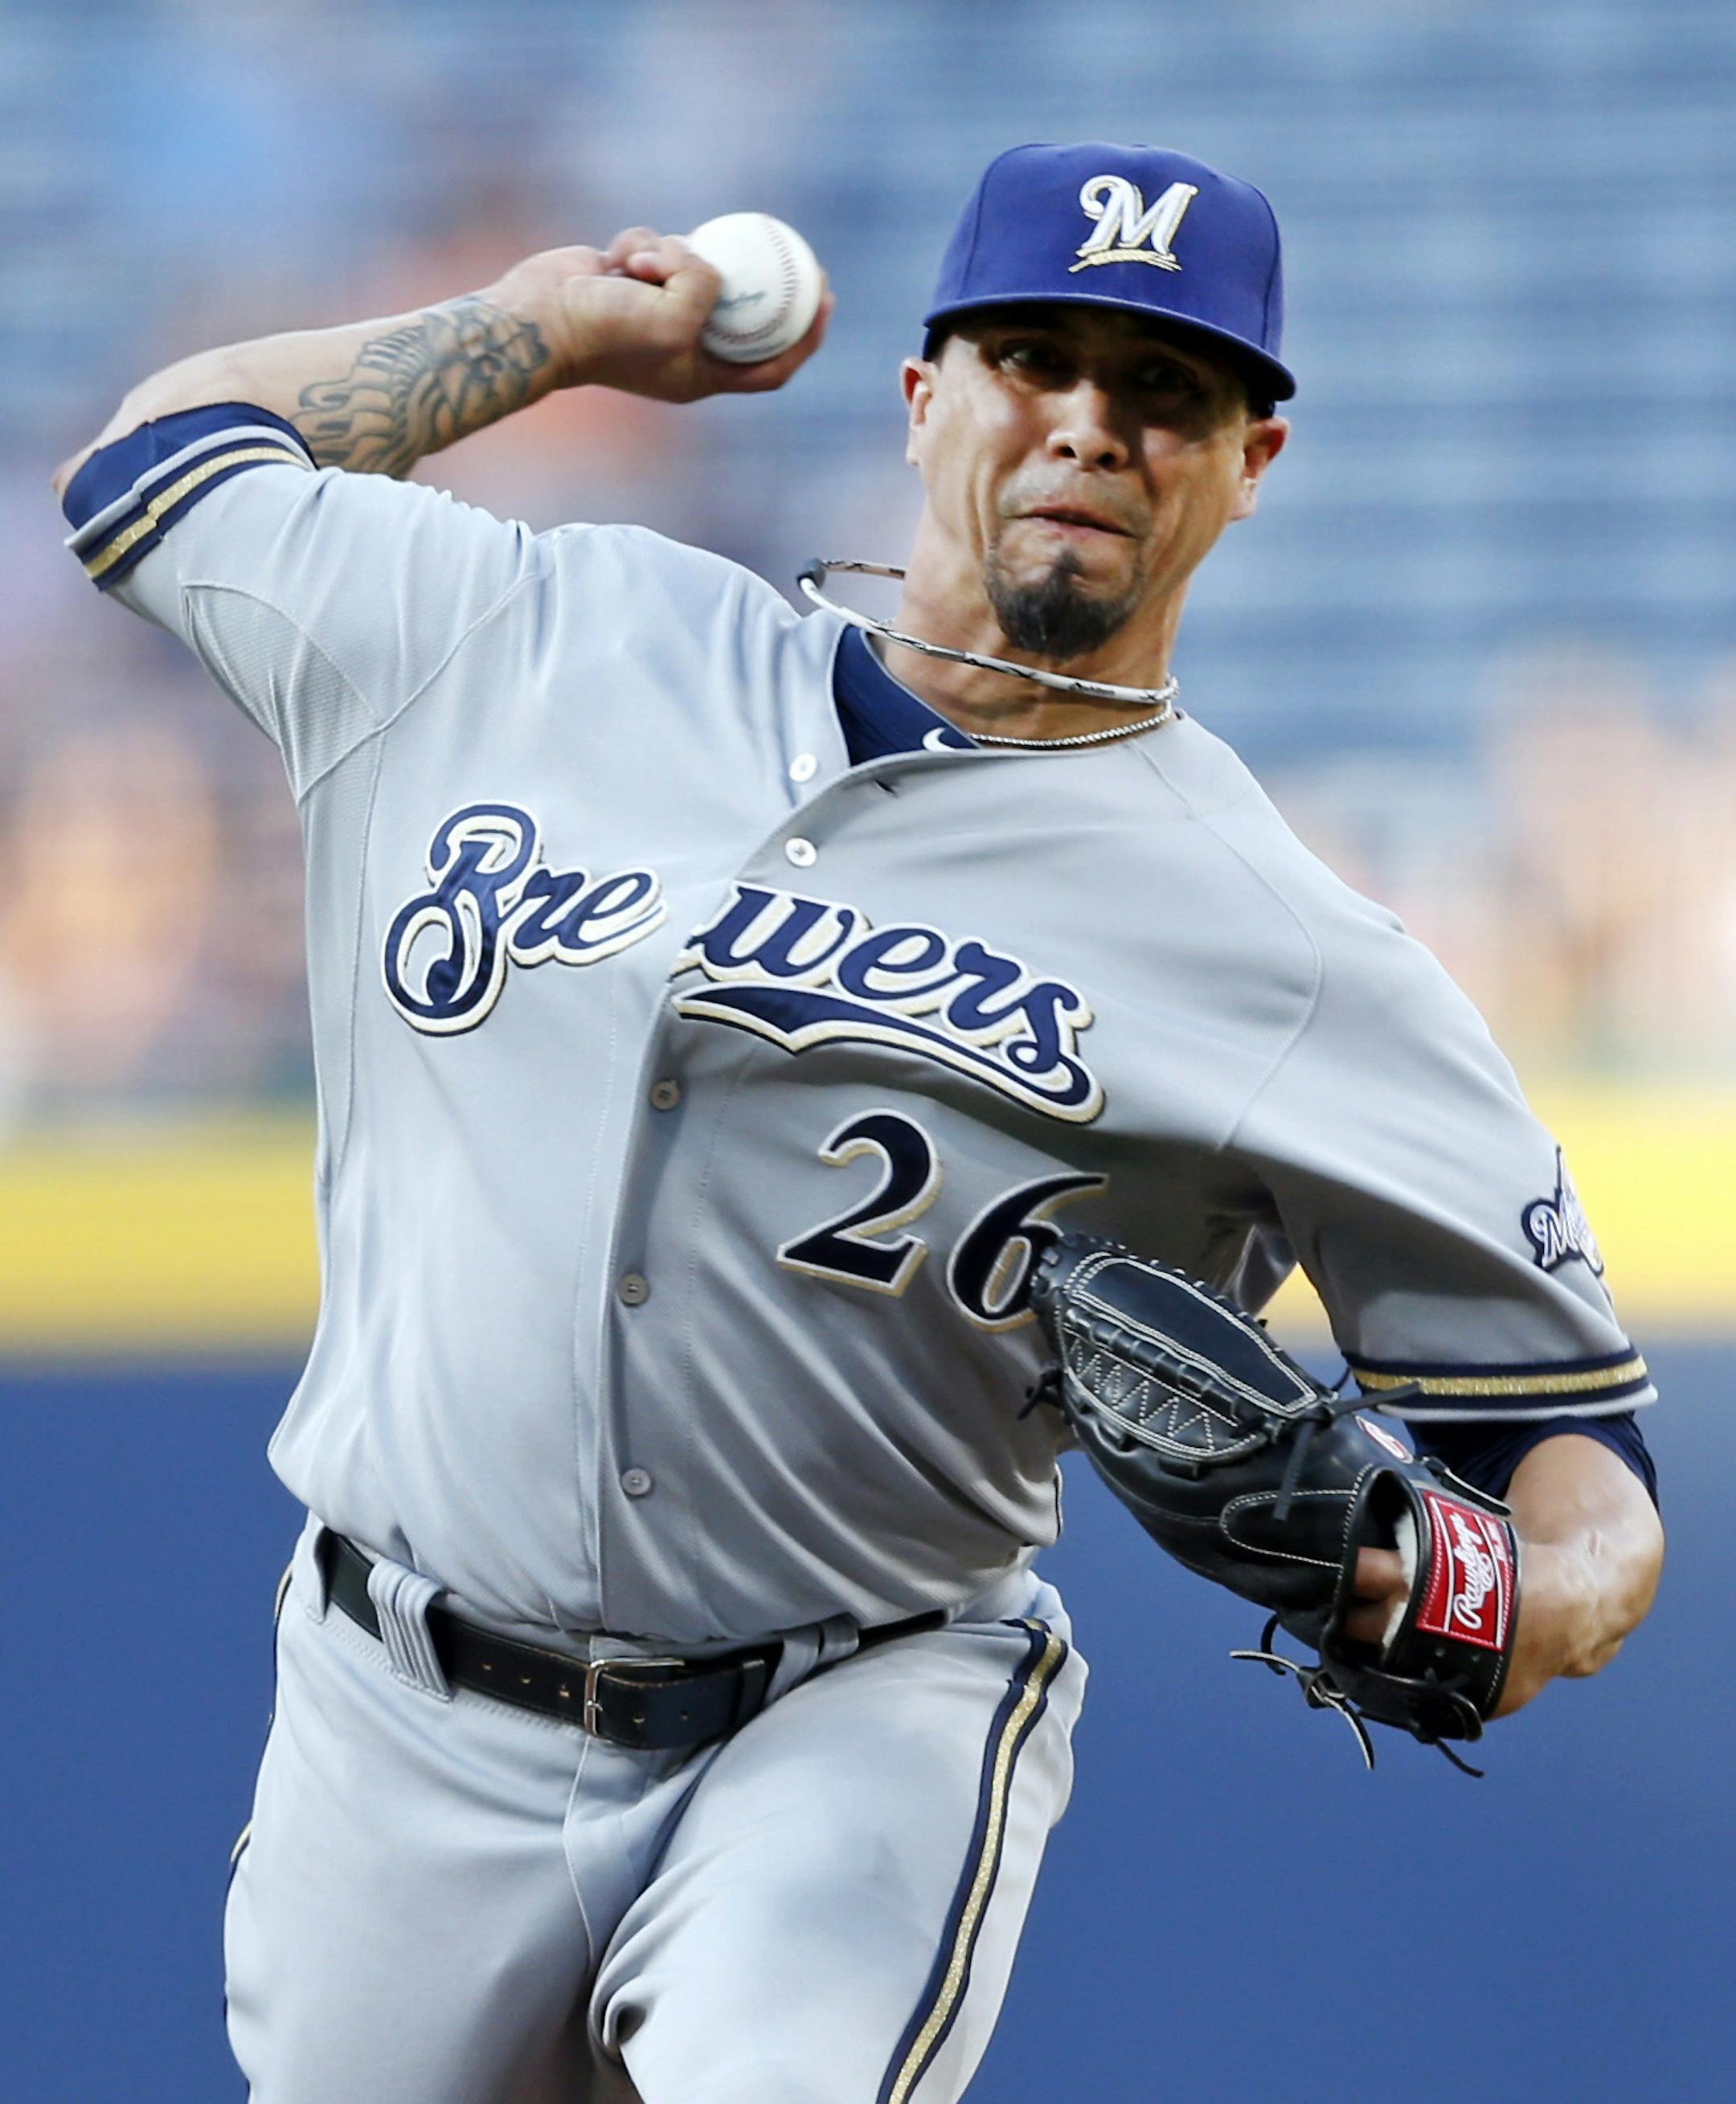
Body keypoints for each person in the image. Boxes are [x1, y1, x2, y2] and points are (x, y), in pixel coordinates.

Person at [57, 142, 1663, 2104]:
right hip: (397, 1695)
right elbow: (151, 472)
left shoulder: (1300, 956)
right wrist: (551, 327)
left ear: (1253, 461)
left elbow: (1584, 1475)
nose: (1090, 425)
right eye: (1033, 359)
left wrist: (1478, 1587)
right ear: (927, 402)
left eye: (1164, 390)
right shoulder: (529, 636)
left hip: (852, 1708)